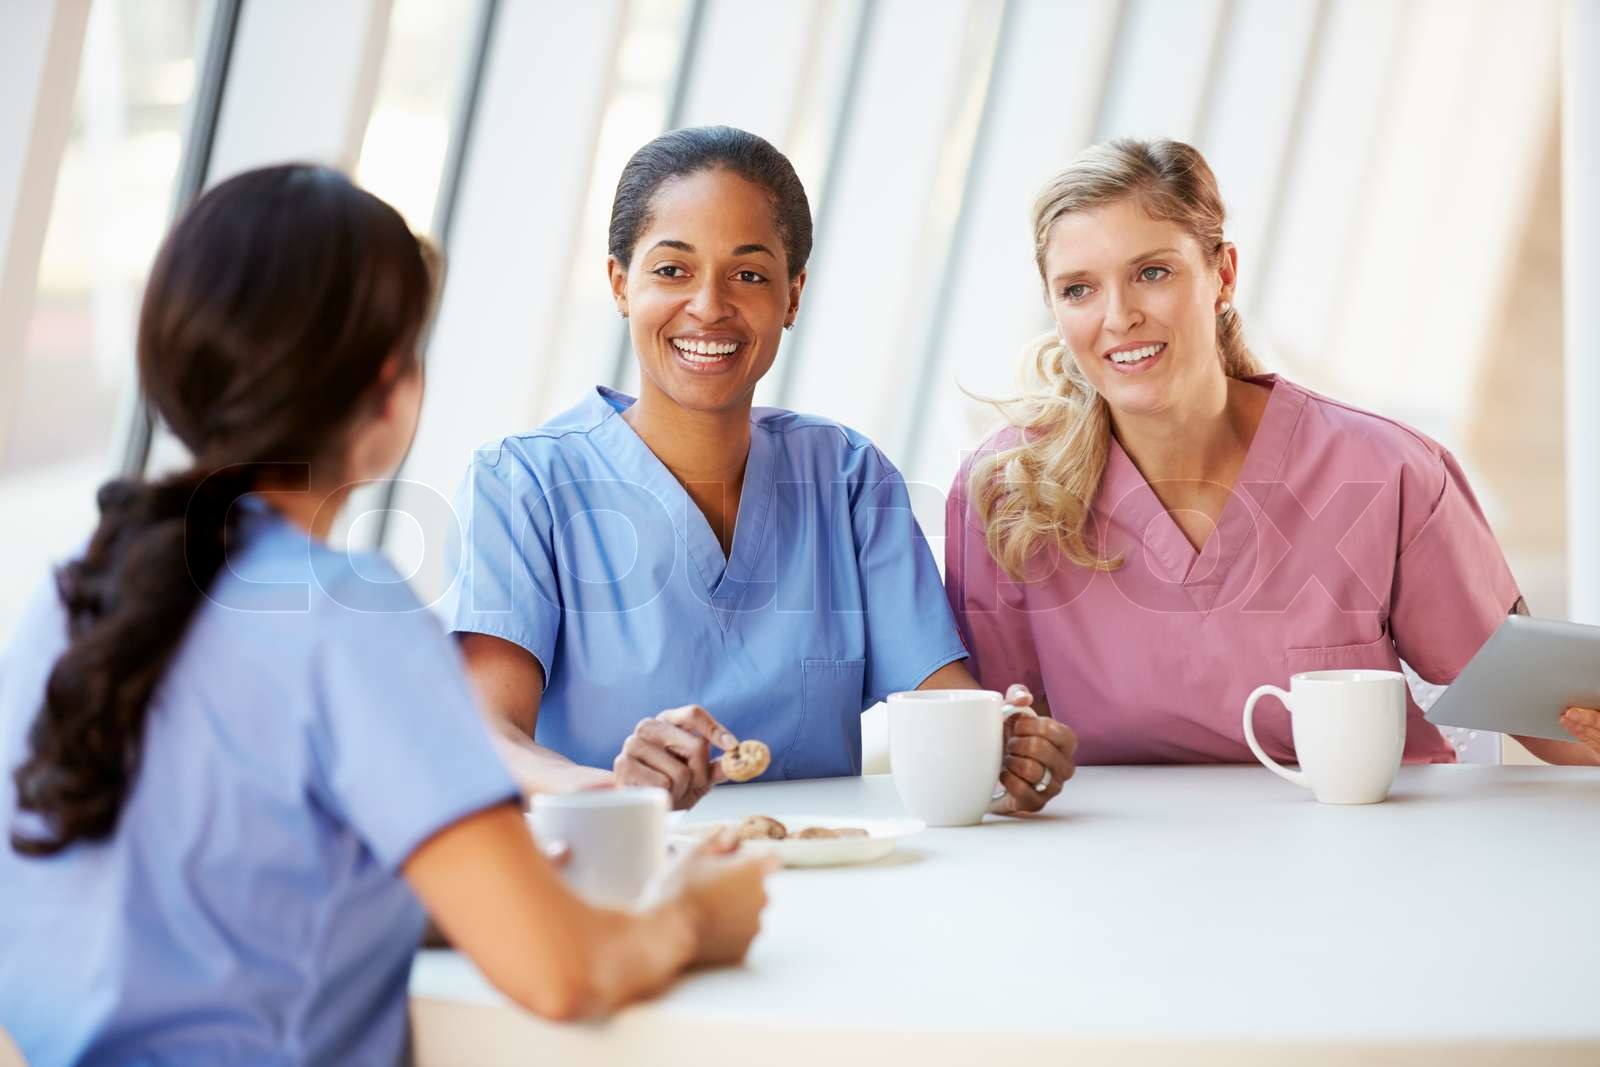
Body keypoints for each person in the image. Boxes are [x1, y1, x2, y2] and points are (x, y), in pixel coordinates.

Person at [0, 165, 772, 1066]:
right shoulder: (345, 616)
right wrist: (692, 918)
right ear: (391, 386)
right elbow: (562, 973)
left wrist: (460, 895)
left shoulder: (74, 595)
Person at [450, 126, 1078, 812]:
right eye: (672, 270)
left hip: (830, 877)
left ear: (792, 296)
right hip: (624, 881)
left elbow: (942, 701)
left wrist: (1008, 740)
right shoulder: (522, 483)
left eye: (748, 274)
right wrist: (612, 791)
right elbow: (487, 738)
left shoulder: (847, 478)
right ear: (619, 284)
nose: (710, 305)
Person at [946, 138, 1600, 767]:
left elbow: (1537, 710)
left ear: (1222, 275)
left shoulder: (1386, 471)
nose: (1118, 317)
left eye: (1152, 273)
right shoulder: (1007, 493)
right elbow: (996, 739)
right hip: (1125, 869)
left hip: (1374, 857)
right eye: (1079, 289)